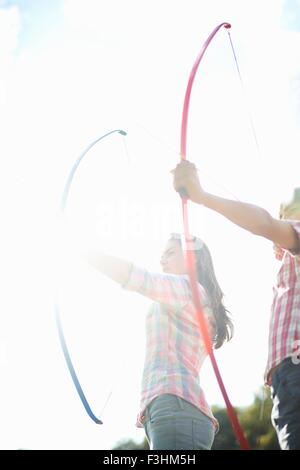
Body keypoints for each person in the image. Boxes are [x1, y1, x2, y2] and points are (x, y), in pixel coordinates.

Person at [172, 160, 300, 450]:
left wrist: (201, 196)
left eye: (288, 216)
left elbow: (265, 224)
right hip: (288, 378)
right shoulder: (291, 269)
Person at [84, 232, 233, 450]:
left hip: (176, 409)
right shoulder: (190, 293)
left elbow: (138, 278)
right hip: (172, 411)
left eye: (171, 253)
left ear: (194, 258)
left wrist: (85, 252)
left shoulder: (189, 289)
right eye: (162, 255)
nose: (162, 260)